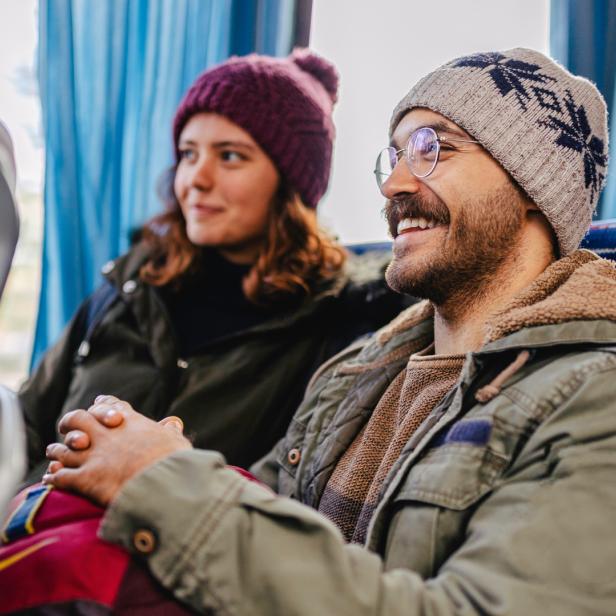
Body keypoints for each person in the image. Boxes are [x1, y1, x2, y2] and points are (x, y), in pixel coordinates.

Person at [33, 48, 616, 614]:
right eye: (395, 156)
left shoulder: (594, 398)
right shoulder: (357, 373)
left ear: (534, 187)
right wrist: (136, 462)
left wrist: (165, 482)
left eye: (433, 147)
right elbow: (254, 522)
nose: (393, 186)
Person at [19, 49, 409, 481]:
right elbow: (27, 423)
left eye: (229, 156)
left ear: (290, 183)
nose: (196, 179)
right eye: (188, 153)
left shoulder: (338, 319)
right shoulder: (131, 282)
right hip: (31, 533)